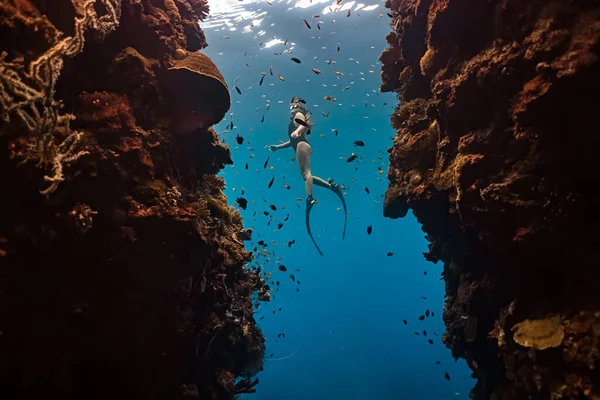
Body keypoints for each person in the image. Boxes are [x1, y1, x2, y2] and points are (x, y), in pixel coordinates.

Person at [267, 97, 347, 255]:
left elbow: (302, 125)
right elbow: (291, 141)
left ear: (300, 108)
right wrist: (277, 147)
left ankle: (309, 198)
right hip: (300, 145)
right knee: (308, 176)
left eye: (296, 105)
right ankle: (332, 187)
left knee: (307, 175)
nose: (293, 107)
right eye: (292, 105)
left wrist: (298, 130)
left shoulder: (298, 115)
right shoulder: (294, 119)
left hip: (302, 145)